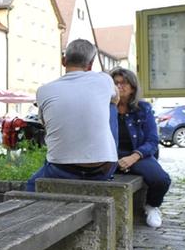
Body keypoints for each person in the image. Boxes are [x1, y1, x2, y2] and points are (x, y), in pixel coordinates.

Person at [25, 39, 118, 191]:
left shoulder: (43, 90)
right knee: (111, 105)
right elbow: (116, 97)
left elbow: (45, 124)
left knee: (31, 186)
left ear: (63, 60)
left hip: (61, 169)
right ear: (90, 65)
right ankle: (112, 153)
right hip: (103, 168)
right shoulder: (104, 80)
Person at [111, 67, 172, 228]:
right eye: (115, 83)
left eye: (123, 83)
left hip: (137, 154)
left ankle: (152, 206)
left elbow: (152, 141)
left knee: (161, 180)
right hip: (110, 155)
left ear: (133, 88)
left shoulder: (143, 109)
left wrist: (133, 158)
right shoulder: (105, 108)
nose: (119, 86)